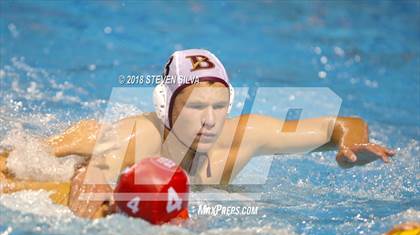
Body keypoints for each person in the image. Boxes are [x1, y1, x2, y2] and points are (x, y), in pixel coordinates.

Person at [0, 49, 395, 219]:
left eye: (218, 107)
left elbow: (340, 123)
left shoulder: (244, 137)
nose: (210, 120)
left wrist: (350, 144)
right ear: (166, 109)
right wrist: (84, 184)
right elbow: (78, 168)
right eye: (195, 108)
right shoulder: (135, 138)